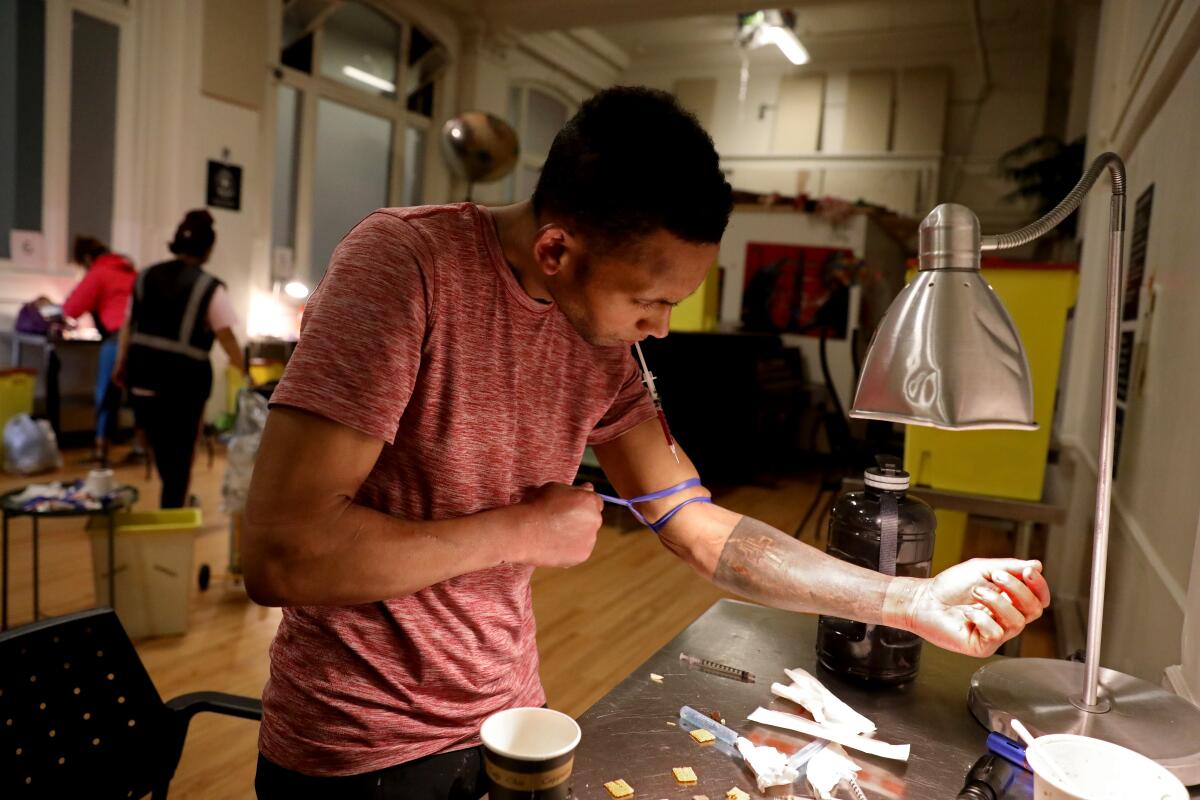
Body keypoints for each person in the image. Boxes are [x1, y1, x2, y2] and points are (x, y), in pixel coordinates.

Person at [243, 87, 1051, 799]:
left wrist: (908, 602)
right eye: (649, 299)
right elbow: (284, 554)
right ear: (557, 250)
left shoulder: (600, 344)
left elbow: (696, 523)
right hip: (358, 752)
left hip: (510, 718)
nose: (661, 327)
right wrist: (517, 532)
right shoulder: (406, 266)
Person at [113, 210, 247, 508]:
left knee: (160, 450)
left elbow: (128, 326)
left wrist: (119, 364)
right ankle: (174, 510)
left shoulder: (145, 276)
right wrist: (246, 371)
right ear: (209, 249)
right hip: (182, 389)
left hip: (143, 381)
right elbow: (226, 337)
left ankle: (175, 502)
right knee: (180, 456)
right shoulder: (208, 287)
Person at [62, 236, 136, 464]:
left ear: (86, 259)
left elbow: (72, 308)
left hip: (116, 338)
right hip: (145, 341)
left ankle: (101, 449)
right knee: (139, 396)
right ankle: (141, 448)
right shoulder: (131, 271)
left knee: (106, 393)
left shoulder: (99, 272)